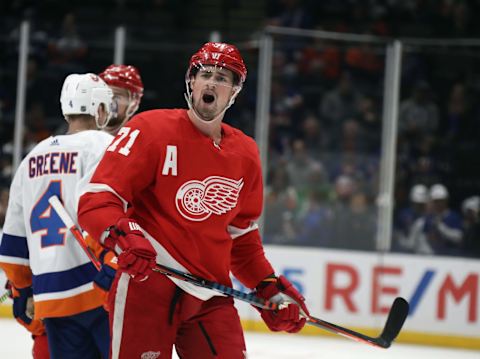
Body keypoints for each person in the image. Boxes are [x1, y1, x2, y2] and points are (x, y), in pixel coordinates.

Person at [78, 42, 310, 359]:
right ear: (192, 82)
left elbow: (241, 239)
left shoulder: (245, 153)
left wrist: (268, 285)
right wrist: (125, 235)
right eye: (206, 74)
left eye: (223, 78)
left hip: (211, 296)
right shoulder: (150, 129)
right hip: (149, 284)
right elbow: (98, 199)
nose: (212, 83)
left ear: (234, 92)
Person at [0, 73, 115, 359]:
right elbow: (114, 213)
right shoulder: (103, 145)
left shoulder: (31, 158)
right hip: (98, 288)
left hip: (51, 295)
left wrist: (22, 288)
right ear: (99, 109)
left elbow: (13, 242)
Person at [98, 64, 144, 135]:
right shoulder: (84, 138)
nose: (109, 101)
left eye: (116, 96)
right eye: (105, 94)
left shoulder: (139, 141)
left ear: (134, 103)